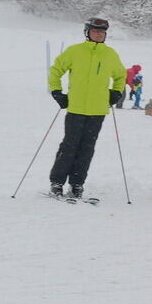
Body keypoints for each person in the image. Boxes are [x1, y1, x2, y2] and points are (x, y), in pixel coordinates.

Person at [47, 18, 126, 198]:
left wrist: (116, 93)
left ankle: (77, 183)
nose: (99, 34)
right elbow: (55, 71)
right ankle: (57, 182)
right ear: (87, 32)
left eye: (102, 32)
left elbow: (121, 76)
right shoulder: (75, 51)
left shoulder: (110, 54)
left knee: (87, 148)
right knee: (69, 145)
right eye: (95, 31)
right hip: (75, 108)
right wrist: (57, 92)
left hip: (98, 110)